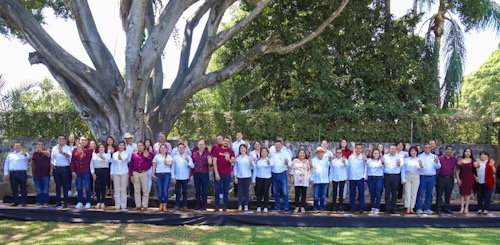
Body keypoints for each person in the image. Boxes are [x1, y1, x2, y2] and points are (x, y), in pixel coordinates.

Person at [415, 143, 441, 215]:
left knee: (429, 194)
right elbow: (417, 167)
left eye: (429, 147)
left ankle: (427, 208)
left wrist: (436, 162)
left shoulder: (434, 156)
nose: (427, 149)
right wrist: (420, 166)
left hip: (431, 177)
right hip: (422, 176)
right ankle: (419, 208)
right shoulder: (419, 156)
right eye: (426, 147)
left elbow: (438, 167)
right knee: (420, 193)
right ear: (423, 148)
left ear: (431, 148)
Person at [212, 136, 235, 212]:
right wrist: (216, 173)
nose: (226, 142)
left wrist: (229, 160)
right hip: (219, 173)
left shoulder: (231, 151)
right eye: (225, 141)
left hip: (227, 174)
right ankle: (217, 206)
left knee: (225, 190)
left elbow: (233, 161)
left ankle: (225, 207)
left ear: (229, 143)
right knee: (217, 190)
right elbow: (214, 162)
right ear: (223, 141)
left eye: (228, 141)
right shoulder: (217, 150)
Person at [3, 143, 30, 207]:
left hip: (22, 173)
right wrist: (6, 173)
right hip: (13, 173)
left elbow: (28, 157)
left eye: (18, 146)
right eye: (16, 146)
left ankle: (24, 202)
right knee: (14, 188)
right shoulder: (10, 155)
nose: (17, 147)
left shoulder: (24, 153)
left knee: (23, 188)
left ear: (21, 147)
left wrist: (25, 153)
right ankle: (15, 202)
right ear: (14, 147)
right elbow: (6, 164)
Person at [129, 141, 153, 211]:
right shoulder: (134, 154)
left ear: (143, 146)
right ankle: (138, 205)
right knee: (137, 190)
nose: (139, 147)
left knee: (145, 190)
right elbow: (131, 165)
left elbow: (153, 158)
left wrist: (147, 156)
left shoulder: (147, 153)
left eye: (141, 145)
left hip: (144, 173)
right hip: (135, 173)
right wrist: (131, 175)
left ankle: (145, 205)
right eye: (138, 145)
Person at [71, 136, 94, 209]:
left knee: (87, 187)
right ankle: (80, 202)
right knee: (79, 187)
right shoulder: (75, 150)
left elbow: (87, 154)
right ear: (79, 141)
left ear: (87, 142)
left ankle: (88, 202)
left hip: (86, 170)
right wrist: (72, 171)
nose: (83, 141)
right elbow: (72, 161)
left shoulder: (89, 149)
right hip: (78, 171)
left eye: (85, 140)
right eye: (82, 140)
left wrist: (81, 150)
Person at [270, 140, 292, 212]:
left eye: (279, 145)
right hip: (274, 174)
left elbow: (290, 163)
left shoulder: (286, 153)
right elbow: (270, 163)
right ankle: (277, 207)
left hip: (282, 174)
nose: (277, 146)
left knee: (284, 191)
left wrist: (287, 163)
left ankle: (286, 207)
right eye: (276, 145)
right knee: (275, 192)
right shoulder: (272, 154)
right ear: (275, 146)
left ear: (281, 146)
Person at [51, 135, 73, 208]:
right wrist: (51, 169)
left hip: (65, 169)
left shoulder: (67, 148)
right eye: (59, 139)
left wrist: (62, 152)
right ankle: (58, 202)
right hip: (56, 169)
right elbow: (52, 159)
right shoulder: (54, 148)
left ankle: (66, 202)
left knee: (65, 186)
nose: (61, 140)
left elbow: (70, 157)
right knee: (57, 186)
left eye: (62, 139)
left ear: (65, 140)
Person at [435, 145, 458, 214]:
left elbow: (459, 166)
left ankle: (447, 208)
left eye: (451, 149)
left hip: (450, 178)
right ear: (445, 150)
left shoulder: (454, 159)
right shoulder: (440, 158)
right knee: (439, 194)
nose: (449, 151)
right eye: (448, 149)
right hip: (441, 178)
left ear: (452, 151)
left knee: (448, 194)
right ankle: (438, 208)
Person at [172, 142, 194, 212]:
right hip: (177, 177)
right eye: (180, 147)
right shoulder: (175, 157)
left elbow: (192, 166)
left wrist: (188, 160)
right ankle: (177, 205)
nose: (181, 149)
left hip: (185, 177)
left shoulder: (188, 156)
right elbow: (172, 168)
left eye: (182, 147)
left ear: (184, 148)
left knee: (185, 192)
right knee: (177, 192)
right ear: (178, 149)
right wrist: (173, 177)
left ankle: (185, 206)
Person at [383, 144, 404, 214]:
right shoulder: (385, 156)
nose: (393, 150)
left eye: (394, 149)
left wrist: (399, 164)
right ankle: (387, 209)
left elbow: (402, 165)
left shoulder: (400, 157)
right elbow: (382, 165)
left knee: (395, 193)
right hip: (387, 176)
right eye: (391, 149)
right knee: (387, 193)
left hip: (396, 176)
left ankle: (393, 208)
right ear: (389, 149)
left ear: (396, 150)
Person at [152, 144, 173, 212]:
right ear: (160, 149)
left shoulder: (169, 156)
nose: (163, 149)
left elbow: (171, 163)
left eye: (164, 148)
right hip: (159, 174)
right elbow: (154, 165)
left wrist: (167, 163)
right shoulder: (156, 156)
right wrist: (153, 173)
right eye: (162, 148)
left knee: (165, 190)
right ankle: (160, 204)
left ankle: (165, 205)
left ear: (167, 150)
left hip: (167, 174)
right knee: (160, 190)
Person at [192, 139, 211, 211]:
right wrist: (191, 174)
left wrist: (210, 162)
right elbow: (191, 165)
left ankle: (204, 206)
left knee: (204, 190)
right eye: (200, 144)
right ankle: (197, 205)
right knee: (197, 191)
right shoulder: (194, 154)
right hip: (196, 174)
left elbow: (210, 164)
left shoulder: (207, 153)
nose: (201, 146)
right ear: (198, 145)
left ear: (204, 145)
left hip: (205, 174)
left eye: (203, 144)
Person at [252, 147, 273, 213]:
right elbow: (255, 170)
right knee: (259, 193)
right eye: (262, 151)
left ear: (267, 153)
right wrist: (253, 180)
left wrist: (268, 162)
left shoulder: (269, 159)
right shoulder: (258, 160)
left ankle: (265, 207)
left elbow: (272, 165)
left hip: (267, 178)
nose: (264, 153)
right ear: (260, 153)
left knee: (266, 193)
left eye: (265, 151)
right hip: (259, 178)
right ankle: (258, 206)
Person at [90, 143, 111, 209]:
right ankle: (98, 201)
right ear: (98, 148)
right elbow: (91, 164)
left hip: (105, 171)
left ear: (104, 148)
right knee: (97, 187)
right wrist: (92, 173)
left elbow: (108, 160)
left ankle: (103, 202)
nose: (101, 148)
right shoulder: (94, 155)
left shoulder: (107, 154)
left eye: (102, 147)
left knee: (103, 187)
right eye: (100, 147)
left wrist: (102, 157)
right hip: (97, 171)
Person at [401, 146, 421, 214]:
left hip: (416, 176)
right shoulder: (406, 160)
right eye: (412, 151)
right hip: (408, 176)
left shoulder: (419, 159)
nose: (413, 152)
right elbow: (403, 169)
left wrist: (421, 165)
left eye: (414, 151)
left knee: (414, 193)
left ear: (416, 152)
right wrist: (403, 178)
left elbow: (421, 169)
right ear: (409, 152)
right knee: (407, 192)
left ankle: (412, 207)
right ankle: (407, 207)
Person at [31, 140, 51, 207]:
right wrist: (33, 172)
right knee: (38, 189)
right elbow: (33, 163)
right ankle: (39, 201)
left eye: (41, 144)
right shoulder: (35, 153)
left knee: (45, 189)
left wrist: (41, 151)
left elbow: (48, 155)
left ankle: (45, 202)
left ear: (43, 146)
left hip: (45, 174)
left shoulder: (47, 152)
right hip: (36, 174)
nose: (39, 145)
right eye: (38, 144)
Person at [347, 144, 366, 214]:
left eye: (360, 148)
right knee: (352, 194)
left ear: (361, 149)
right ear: (355, 149)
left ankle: (361, 208)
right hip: (352, 178)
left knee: (361, 194)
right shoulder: (350, 157)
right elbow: (348, 167)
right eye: (357, 148)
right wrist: (347, 177)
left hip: (360, 178)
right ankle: (352, 208)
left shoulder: (363, 157)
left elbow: (367, 164)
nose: (358, 150)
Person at [455, 147, 475, 214]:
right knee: (462, 193)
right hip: (462, 178)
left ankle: (466, 208)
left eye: (469, 151)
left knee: (468, 194)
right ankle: (462, 208)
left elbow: (477, 168)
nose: (468, 153)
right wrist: (458, 178)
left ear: (471, 153)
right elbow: (457, 170)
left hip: (470, 179)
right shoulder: (460, 160)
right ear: (464, 152)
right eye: (466, 151)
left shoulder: (473, 161)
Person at [290, 149, 310, 213]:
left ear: (305, 155)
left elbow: (310, 170)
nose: (302, 154)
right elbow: (291, 169)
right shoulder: (294, 161)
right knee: (297, 194)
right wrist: (291, 177)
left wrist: (310, 178)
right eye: (300, 153)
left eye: (303, 153)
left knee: (304, 194)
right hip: (297, 179)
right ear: (298, 154)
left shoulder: (307, 161)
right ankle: (297, 206)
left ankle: (302, 207)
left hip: (305, 180)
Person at [234, 144, 253, 212]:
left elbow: (253, 168)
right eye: (241, 148)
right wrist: (235, 177)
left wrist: (251, 164)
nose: (242, 150)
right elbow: (235, 168)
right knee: (240, 192)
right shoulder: (237, 158)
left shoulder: (249, 158)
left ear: (246, 149)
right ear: (239, 150)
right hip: (240, 177)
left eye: (243, 148)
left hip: (247, 177)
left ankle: (246, 205)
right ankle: (240, 205)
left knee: (246, 191)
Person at [111, 142, 129, 211]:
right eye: (120, 145)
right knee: (117, 189)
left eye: (122, 145)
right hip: (116, 173)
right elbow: (113, 164)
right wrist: (111, 173)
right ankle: (117, 205)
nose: (121, 146)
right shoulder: (114, 154)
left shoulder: (126, 153)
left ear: (124, 146)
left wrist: (119, 154)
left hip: (124, 172)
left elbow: (122, 159)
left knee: (123, 189)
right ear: (118, 146)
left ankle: (124, 206)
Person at [310, 147, 329, 213]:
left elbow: (332, 162)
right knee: (316, 196)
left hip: (325, 180)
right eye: (319, 152)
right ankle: (315, 207)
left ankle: (322, 207)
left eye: (321, 152)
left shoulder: (327, 160)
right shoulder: (313, 160)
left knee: (323, 196)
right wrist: (311, 179)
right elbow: (311, 170)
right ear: (317, 153)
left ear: (323, 153)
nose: (320, 153)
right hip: (316, 180)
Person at [330, 149, 348, 213]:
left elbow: (347, 167)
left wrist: (344, 162)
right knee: (334, 193)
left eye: (340, 152)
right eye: (338, 152)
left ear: (342, 153)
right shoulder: (333, 161)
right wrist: (330, 180)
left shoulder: (344, 160)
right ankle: (334, 206)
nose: (339, 154)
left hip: (342, 178)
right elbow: (331, 170)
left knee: (341, 193)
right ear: (336, 154)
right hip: (334, 178)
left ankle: (341, 206)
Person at [366, 149, 384, 215]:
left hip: (379, 178)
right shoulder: (369, 161)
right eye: (374, 153)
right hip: (371, 178)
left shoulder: (381, 161)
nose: (376, 154)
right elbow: (366, 169)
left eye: (377, 153)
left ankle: (377, 208)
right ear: (372, 154)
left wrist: (382, 163)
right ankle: (373, 207)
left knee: (378, 193)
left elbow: (383, 168)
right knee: (372, 193)